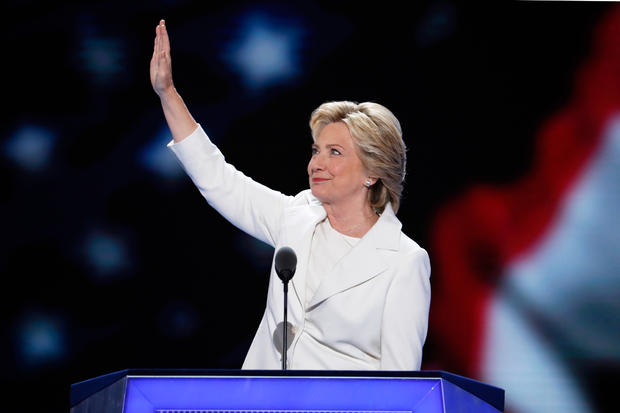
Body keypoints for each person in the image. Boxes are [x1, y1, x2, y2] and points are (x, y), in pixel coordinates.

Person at [150, 19, 431, 370]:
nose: (317, 163)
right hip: (264, 402)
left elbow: (401, 380)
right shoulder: (298, 216)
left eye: (335, 153)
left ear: (373, 173)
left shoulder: (405, 261)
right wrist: (168, 93)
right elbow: (220, 180)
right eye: (316, 150)